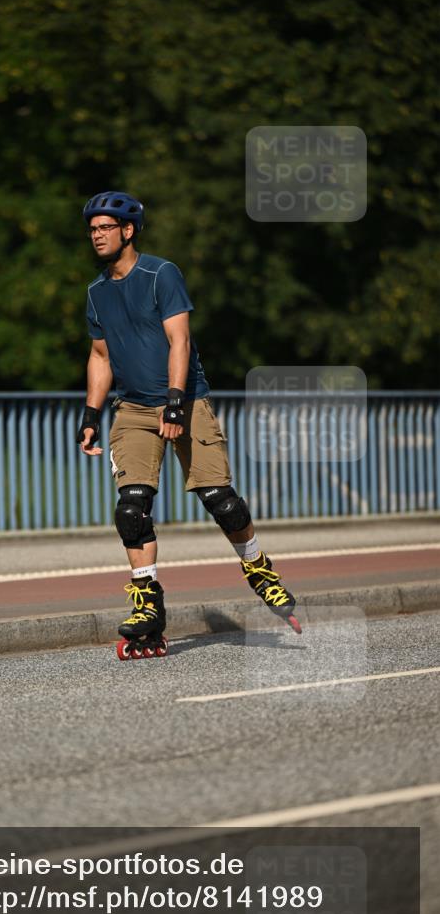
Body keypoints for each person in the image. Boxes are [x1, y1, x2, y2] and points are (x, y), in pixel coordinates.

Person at [76, 191, 300, 657]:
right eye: (93, 229)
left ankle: (258, 567)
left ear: (128, 230)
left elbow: (180, 341)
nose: (97, 235)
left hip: (186, 400)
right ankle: (147, 604)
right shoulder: (96, 292)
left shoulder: (162, 274)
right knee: (131, 508)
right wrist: (90, 415)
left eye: (105, 227)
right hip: (133, 409)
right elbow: (100, 357)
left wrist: (176, 405)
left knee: (221, 501)